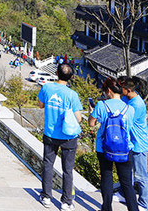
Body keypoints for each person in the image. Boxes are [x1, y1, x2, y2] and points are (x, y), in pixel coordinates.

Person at [37, 63, 82, 210]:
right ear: (71, 77)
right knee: (67, 169)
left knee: (48, 164)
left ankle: (46, 197)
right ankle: (66, 202)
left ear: (56, 73)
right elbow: (79, 119)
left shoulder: (47, 88)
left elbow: (40, 105)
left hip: (50, 133)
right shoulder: (72, 95)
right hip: (68, 136)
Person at [89, 77, 138, 211]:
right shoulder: (130, 108)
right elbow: (129, 127)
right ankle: (134, 209)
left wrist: (92, 113)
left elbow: (91, 123)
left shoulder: (101, 105)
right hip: (125, 148)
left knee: (107, 176)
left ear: (109, 91)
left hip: (104, 147)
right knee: (127, 182)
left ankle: (106, 208)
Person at [120, 76, 148, 210]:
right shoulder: (129, 99)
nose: (121, 91)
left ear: (129, 90)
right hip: (131, 143)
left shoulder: (137, 104)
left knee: (141, 176)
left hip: (139, 145)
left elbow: (126, 122)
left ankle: (144, 203)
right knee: (128, 174)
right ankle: (125, 195)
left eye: (123, 89)